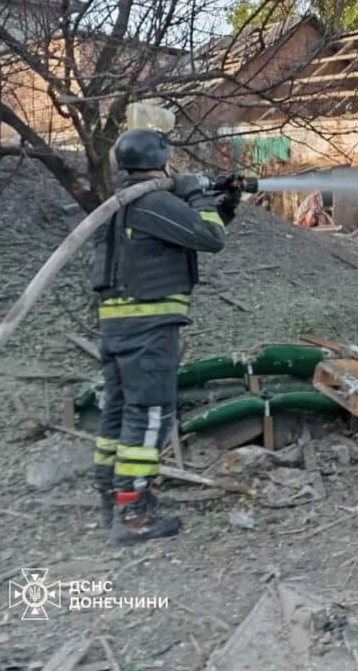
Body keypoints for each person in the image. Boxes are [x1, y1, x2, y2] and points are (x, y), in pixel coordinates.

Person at [89, 129, 239, 545]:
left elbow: (191, 230)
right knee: (150, 413)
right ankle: (133, 512)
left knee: (117, 413)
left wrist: (225, 202)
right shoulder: (153, 201)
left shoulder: (122, 205)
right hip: (148, 329)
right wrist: (196, 195)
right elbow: (210, 238)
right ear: (160, 161)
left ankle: (112, 492)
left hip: (118, 327)